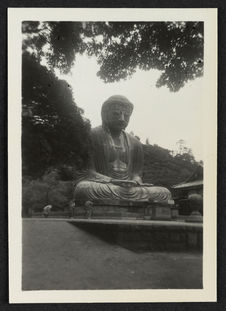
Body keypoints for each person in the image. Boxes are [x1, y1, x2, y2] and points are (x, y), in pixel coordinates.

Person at [74, 95, 172, 203]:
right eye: (116, 114)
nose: (122, 119)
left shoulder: (135, 143)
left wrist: (135, 181)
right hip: (104, 185)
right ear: (105, 114)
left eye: (126, 116)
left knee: (164, 193)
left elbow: (137, 174)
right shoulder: (92, 135)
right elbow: (88, 171)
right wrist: (112, 180)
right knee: (83, 189)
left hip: (128, 188)